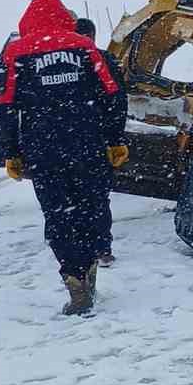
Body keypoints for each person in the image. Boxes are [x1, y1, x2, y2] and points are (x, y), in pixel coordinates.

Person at [0, 0, 128, 315]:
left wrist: (11, 152)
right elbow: (114, 94)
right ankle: (92, 264)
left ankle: (74, 279)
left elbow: (2, 108)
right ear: (65, 20)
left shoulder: (15, 55)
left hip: (43, 151)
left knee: (58, 215)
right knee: (92, 206)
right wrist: (114, 139)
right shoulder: (88, 50)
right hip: (88, 144)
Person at [75, 16, 126, 267]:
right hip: (97, 139)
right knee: (97, 197)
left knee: (70, 197)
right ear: (93, 36)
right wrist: (116, 138)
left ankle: (74, 245)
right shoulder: (104, 60)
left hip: (67, 141)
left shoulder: (63, 63)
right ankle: (102, 249)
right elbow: (118, 101)